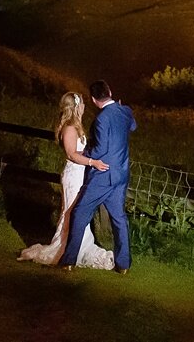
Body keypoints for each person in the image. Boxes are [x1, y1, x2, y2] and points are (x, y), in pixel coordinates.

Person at [18, 91, 116, 268]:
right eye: (83, 104)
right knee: (72, 211)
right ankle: (68, 249)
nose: (85, 107)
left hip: (80, 174)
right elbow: (71, 154)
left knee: (78, 212)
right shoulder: (69, 128)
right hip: (73, 176)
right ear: (76, 107)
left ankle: (78, 247)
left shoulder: (76, 126)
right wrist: (92, 162)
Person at [60, 79, 136, 274]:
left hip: (102, 175)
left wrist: (86, 154)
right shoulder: (125, 111)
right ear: (110, 91)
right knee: (119, 218)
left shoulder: (101, 120)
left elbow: (101, 149)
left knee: (79, 213)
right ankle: (124, 264)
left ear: (94, 100)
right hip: (121, 174)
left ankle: (69, 260)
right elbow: (132, 127)